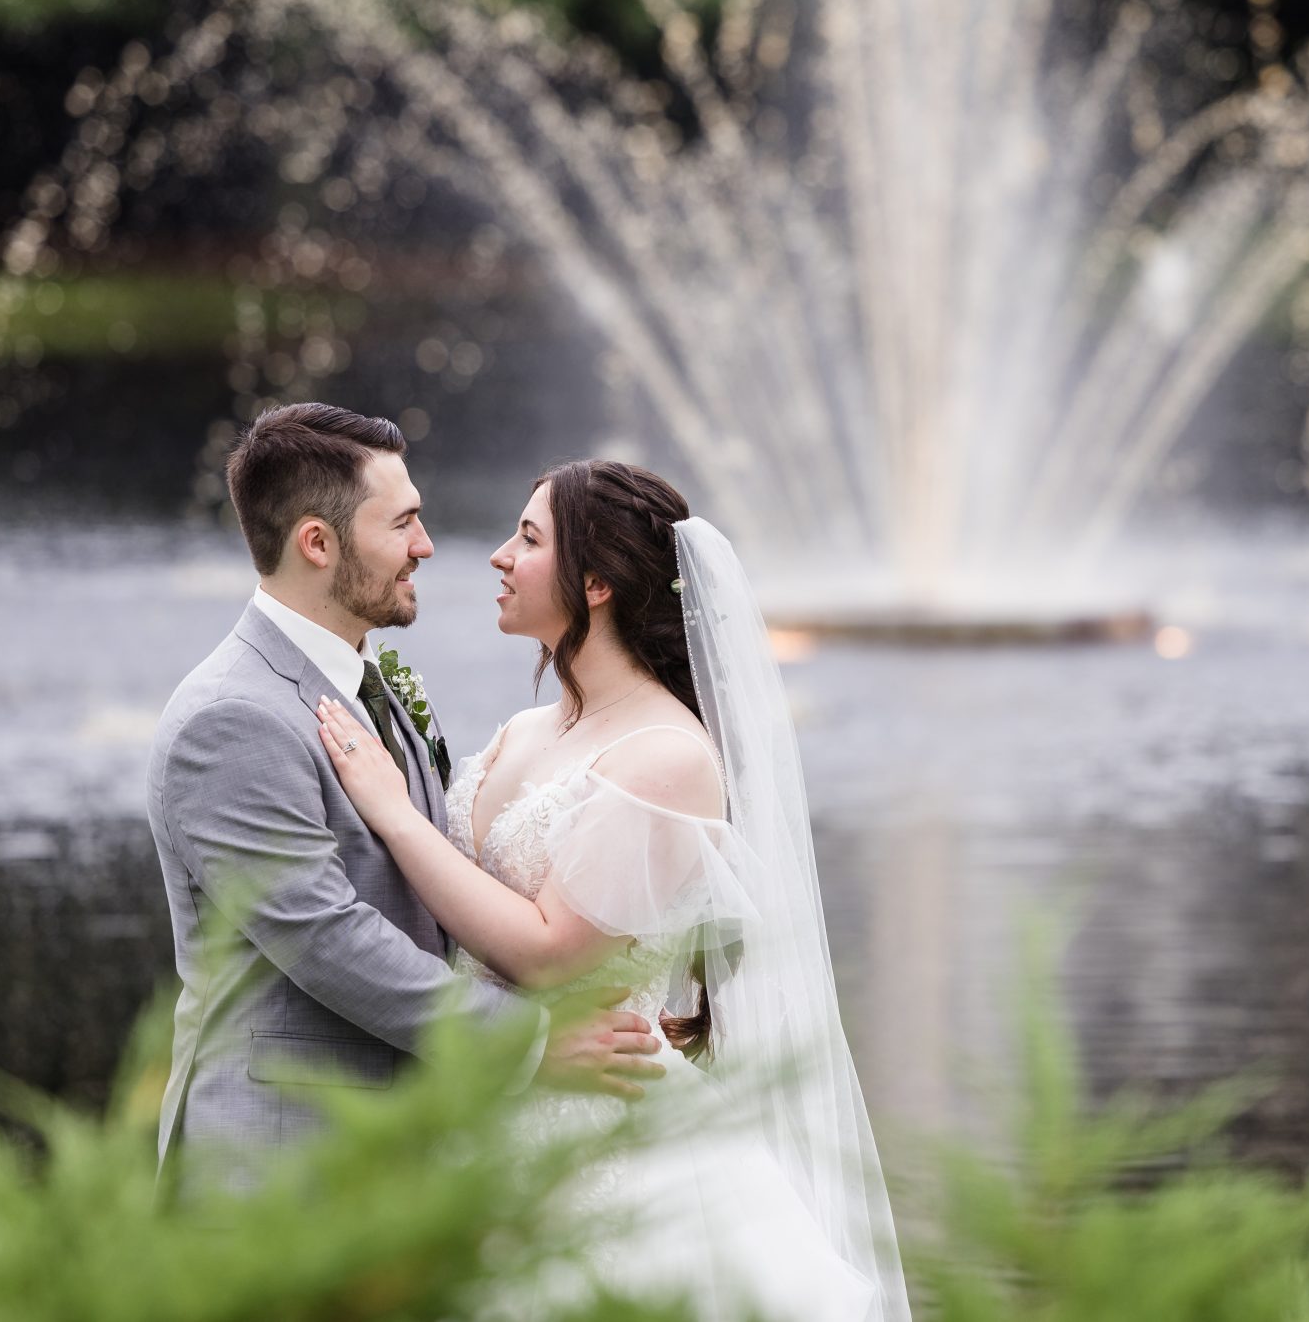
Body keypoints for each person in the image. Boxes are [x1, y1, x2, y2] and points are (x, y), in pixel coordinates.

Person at [313, 459, 911, 1322]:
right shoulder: (526, 729)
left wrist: (395, 813)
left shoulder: (667, 756)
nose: (495, 558)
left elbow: (554, 952)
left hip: (595, 1124)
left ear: (595, 583)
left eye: (526, 539)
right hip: (480, 1092)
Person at [145, 404, 664, 1193]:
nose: (426, 546)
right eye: (405, 524)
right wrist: (531, 1042)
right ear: (318, 543)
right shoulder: (233, 717)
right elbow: (324, 935)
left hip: (393, 1151)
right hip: (279, 1165)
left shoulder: (363, 682)